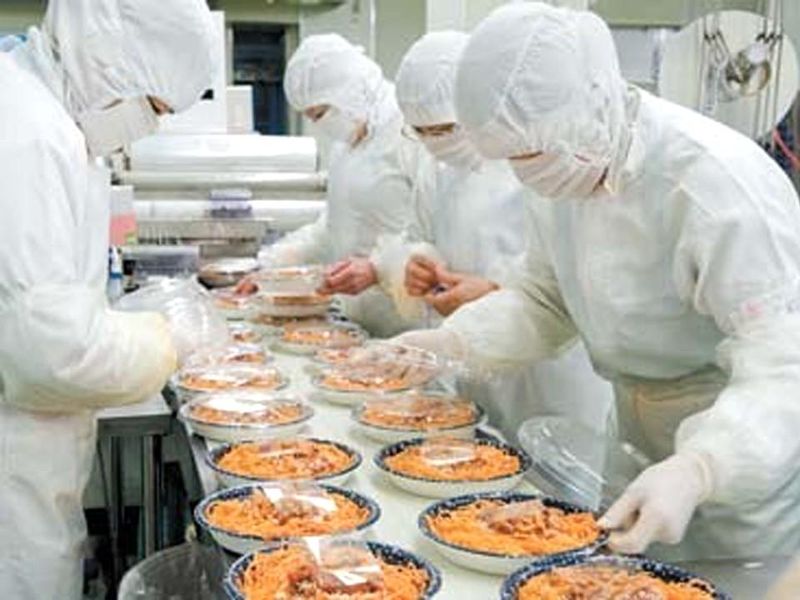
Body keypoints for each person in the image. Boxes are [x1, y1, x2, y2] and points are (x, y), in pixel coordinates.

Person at [396, 2, 800, 561]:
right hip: (631, 437)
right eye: (511, 159)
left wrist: (702, 466)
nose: (523, 173)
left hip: (740, 462)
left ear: (591, 110)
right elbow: (544, 300)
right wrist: (453, 342)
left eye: (531, 154)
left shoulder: (715, 185)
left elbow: (784, 366)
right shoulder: (565, 172)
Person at [0, 0, 217, 597]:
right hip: (13, 464)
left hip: (34, 449)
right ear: (109, 58)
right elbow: (50, 353)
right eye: (153, 107)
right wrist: (168, 341)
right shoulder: (30, 136)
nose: (149, 125)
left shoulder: (48, 115)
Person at [379, 30, 612, 440]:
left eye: (446, 129)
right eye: (422, 132)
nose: (436, 143)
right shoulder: (437, 167)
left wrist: (492, 289)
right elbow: (420, 231)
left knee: (547, 467)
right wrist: (418, 263)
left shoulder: (539, 160)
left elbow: (566, 279)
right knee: (479, 455)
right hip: (472, 348)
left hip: (548, 367)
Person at [265, 34, 426, 337]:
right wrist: (275, 264)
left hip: (411, 319)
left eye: (320, 114)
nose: (318, 125)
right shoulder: (346, 144)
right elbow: (335, 226)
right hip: (357, 318)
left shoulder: (411, 133)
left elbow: (433, 231)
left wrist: (379, 268)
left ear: (349, 90)